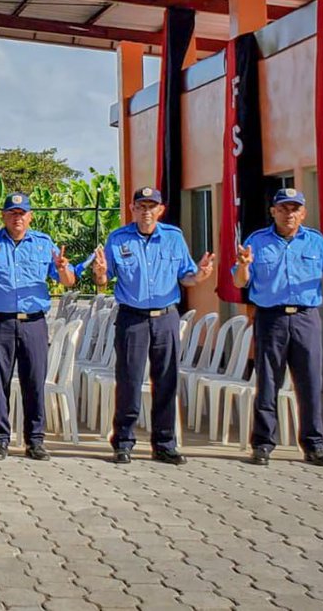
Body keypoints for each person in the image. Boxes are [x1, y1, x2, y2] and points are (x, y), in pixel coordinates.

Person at [92, 187, 214, 465]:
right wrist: (99, 273)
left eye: (152, 206)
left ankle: (164, 443)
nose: (146, 211)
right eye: (141, 206)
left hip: (166, 317)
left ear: (160, 210)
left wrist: (202, 275)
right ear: (132, 209)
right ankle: (123, 441)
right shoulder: (118, 238)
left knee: (167, 380)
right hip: (132, 318)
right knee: (129, 381)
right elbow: (103, 279)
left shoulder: (173, 238)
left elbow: (187, 278)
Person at [233, 187, 323, 467]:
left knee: (310, 382)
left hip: (305, 318)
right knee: (268, 381)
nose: (289, 214)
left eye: (295, 209)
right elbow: (240, 282)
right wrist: (244, 266)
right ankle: (262, 443)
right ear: (273, 211)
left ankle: (314, 445)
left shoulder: (316, 242)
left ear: (303, 213)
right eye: (283, 208)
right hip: (270, 318)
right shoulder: (257, 242)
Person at [0, 193, 76, 460]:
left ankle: (35, 439)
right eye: (12, 212)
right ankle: (0, 439)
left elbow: (68, 280)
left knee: (34, 380)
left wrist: (64, 268)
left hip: (33, 322)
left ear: (30, 216)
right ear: (3, 215)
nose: (17, 217)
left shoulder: (43, 244)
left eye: (22, 213)